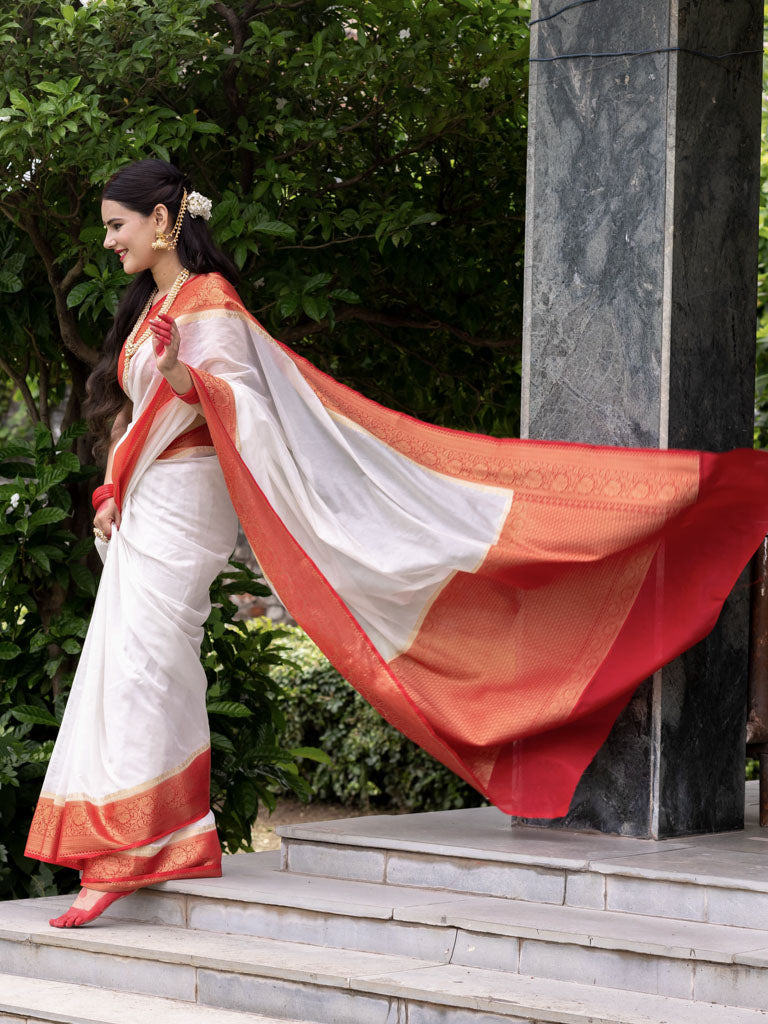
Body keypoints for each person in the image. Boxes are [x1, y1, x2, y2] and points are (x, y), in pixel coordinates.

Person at [24, 158, 768, 928]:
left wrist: (185, 375)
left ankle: (134, 845)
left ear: (162, 220)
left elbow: (232, 403)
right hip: (148, 501)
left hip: (189, 499)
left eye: (117, 225)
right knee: (130, 659)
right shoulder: (151, 304)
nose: (109, 241)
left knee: (149, 660)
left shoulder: (209, 303)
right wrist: (111, 489)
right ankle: (160, 835)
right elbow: (130, 408)